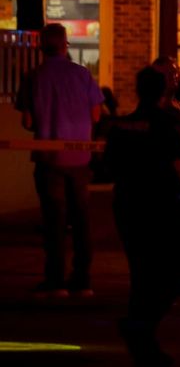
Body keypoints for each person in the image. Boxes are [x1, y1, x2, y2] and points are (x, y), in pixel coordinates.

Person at [107, 67, 180, 364]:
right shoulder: (167, 126)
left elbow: (109, 166)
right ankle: (140, 330)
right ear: (163, 92)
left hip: (127, 206)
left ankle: (140, 335)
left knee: (141, 272)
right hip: (161, 208)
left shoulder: (122, 125)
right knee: (170, 274)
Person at [15, 23, 103, 298]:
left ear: (41, 46)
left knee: (54, 220)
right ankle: (83, 279)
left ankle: (56, 281)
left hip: (48, 158)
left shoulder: (33, 77)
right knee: (81, 220)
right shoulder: (82, 74)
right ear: (66, 44)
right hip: (80, 157)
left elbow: (28, 121)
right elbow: (96, 115)